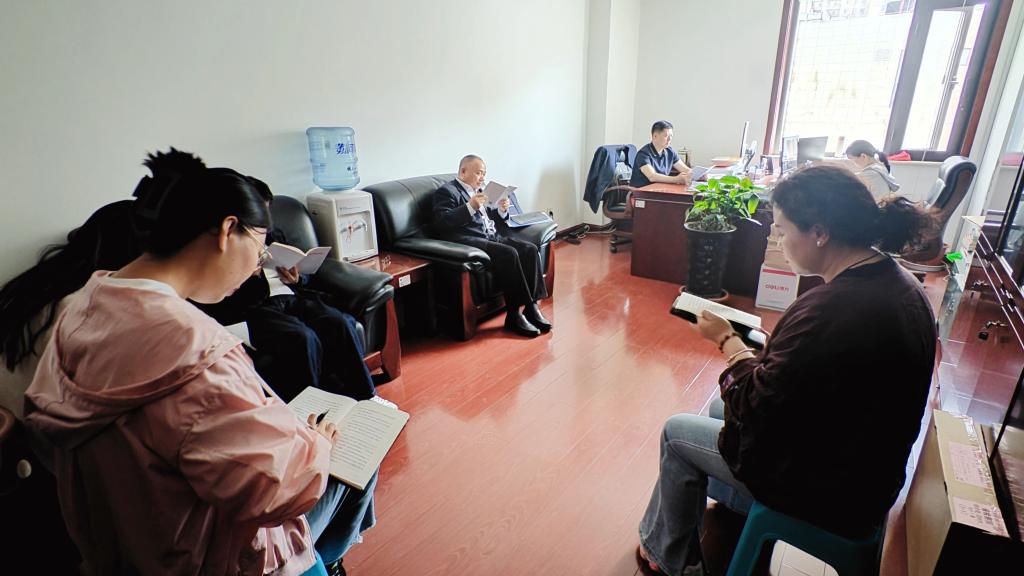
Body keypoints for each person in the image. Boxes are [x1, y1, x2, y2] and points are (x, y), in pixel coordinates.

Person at [24, 149, 374, 576]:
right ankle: (328, 561)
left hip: (123, 545)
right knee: (359, 457)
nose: (258, 265)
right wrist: (319, 447)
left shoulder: (81, 307)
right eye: (259, 248)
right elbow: (275, 492)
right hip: (214, 556)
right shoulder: (197, 352)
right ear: (228, 230)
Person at [637, 165, 937, 576]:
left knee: (677, 432)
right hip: (866, 468)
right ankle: (729, 511)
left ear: (820, 232)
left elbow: (753, 403)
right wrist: (767, 345)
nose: (777, 239)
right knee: (717, 410)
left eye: (780, 230)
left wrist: (727, 340)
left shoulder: (830, 308)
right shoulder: (897, 282)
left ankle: (667, 556)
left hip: (829, 490)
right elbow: (819, 370)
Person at [194, 178, 376, 403]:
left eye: (266, 211)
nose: (264, 220)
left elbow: (300, 269)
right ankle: (311, 409)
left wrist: (296, 278)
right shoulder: (231, 244)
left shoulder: (274, 235)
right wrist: (251, 272)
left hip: (290, 296)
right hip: (257, 306)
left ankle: (366, 397)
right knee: (302, 337)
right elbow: (228, 296)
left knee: (339, 322)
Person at [433, 154, 551, 337]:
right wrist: (470, 206)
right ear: (463, 171)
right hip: (470, 240)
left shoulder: (479, 191)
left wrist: (502, 210)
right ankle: (513, 314)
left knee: (529, 249)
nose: (482, 177)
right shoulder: (447, 192)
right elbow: (442, 222)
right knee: (509, 253)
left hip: (492, 236)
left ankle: (532, 307)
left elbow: (488, 216)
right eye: (478, 173)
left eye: (484, 173)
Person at [630, 120, 693, 188]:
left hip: (661, 189)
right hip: (642, 191)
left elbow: (686, 170)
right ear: (655, 136)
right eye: (666, 136)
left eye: (671, 136)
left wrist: (696, 174)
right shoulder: (643, 154)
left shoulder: (670, 152)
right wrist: (676, 179)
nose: (669, 139)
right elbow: (652, 176)